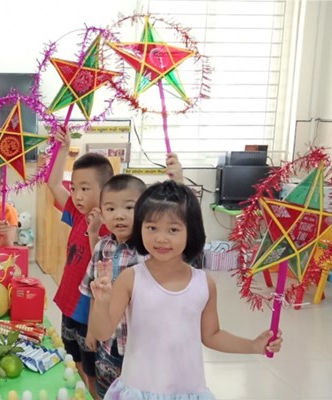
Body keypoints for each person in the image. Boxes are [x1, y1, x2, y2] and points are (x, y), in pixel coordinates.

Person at [89, 181, 283, 400]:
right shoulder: (131, 278)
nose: (161, 238)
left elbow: (212, 335)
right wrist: (102, 303)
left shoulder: (204, 284)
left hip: (188, 390)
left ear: (191, 231)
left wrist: (254, 346)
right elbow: (102, 332)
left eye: (173, 230)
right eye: (152, 228)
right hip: (138, 390)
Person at [82, 169, 184, 398]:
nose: (119, 216)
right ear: (102, 214)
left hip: (144, 351)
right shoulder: (101, 248)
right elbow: (94, 294)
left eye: (129, 208)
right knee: (107, 392)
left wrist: (178, 181)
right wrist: (91, 330)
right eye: (111, 209)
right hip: (109, 345)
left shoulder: (152, 250)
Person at [47, 127, 115, 391]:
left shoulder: (113, 224)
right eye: (74, 188)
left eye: (85, 188)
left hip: (91, 313)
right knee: (72, 362)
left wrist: (95, 231)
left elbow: (103, 266)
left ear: (106, 189)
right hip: (69, 305)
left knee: (92, 371)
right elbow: (54, 184)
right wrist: (63, 150)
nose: (77, 195)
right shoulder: (77, 214)